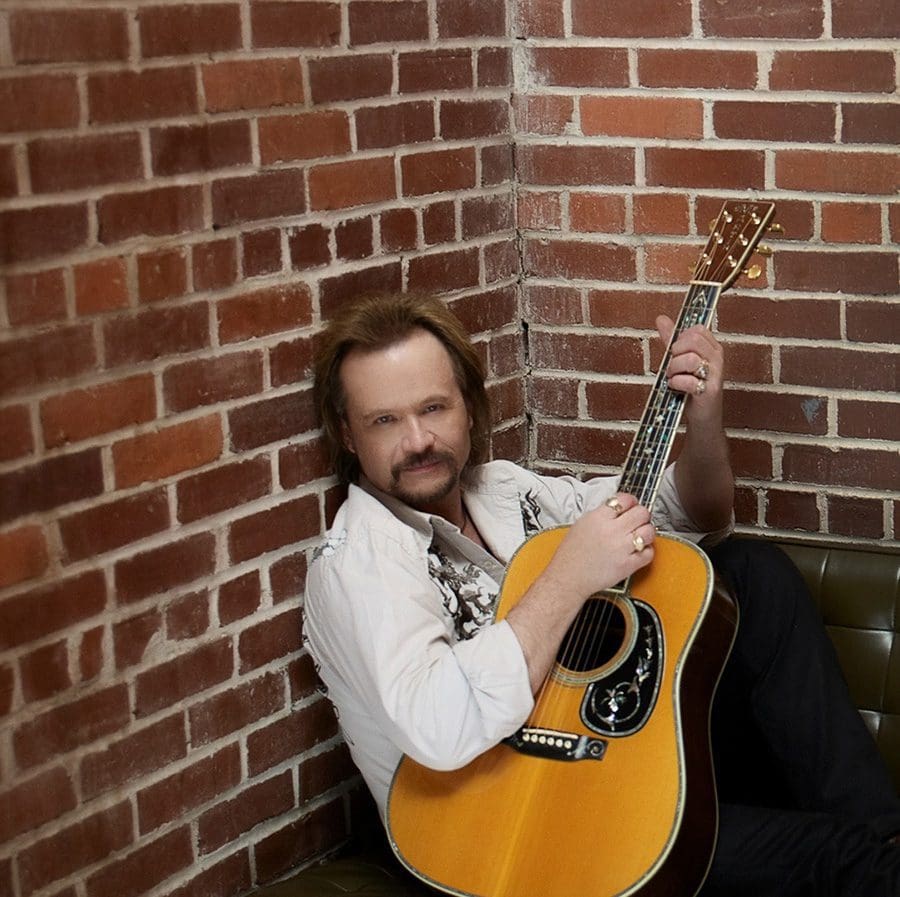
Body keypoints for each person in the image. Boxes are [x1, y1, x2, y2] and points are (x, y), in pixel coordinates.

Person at [303, 291, 900, 896]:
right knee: (840, 861)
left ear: (470, 407)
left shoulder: (503, 490)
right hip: (499, 840)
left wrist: (703, 416)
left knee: (749, 575)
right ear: (348, 435)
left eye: (434, 408)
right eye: (385, 420)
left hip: (597, 769)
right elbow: (442, 727)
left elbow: (691, 514)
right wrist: (568, 575)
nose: (418, 440)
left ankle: (887, 835)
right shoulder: (357, 561)